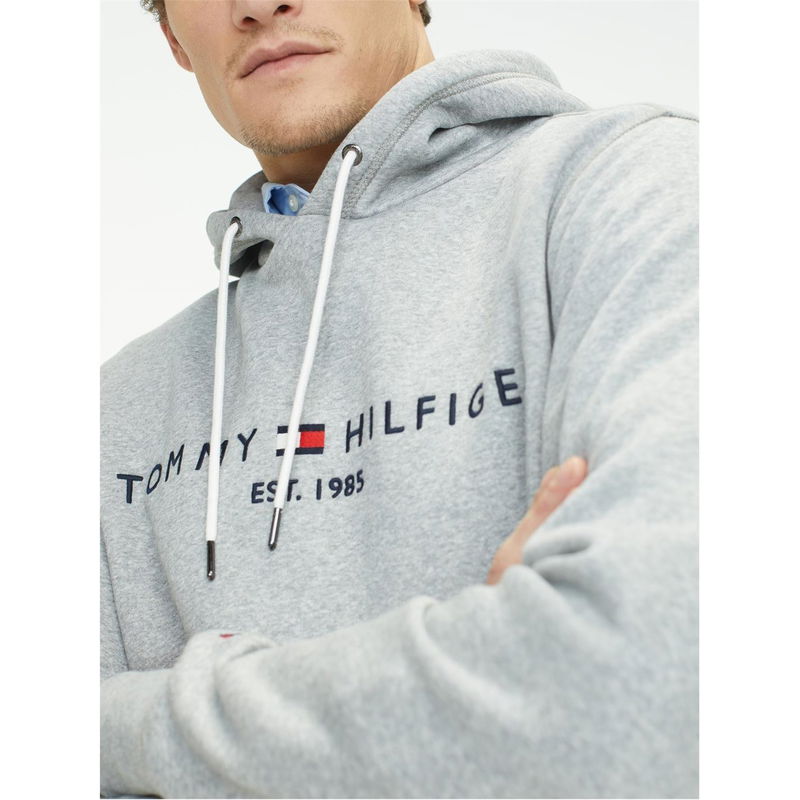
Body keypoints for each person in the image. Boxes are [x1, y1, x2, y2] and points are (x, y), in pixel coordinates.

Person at [100, 0, 699, 797]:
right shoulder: (114, 411)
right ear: (175, 38)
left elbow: (648, 681)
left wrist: (120, 725)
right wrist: (484, 684)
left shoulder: (643, 190)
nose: (259, 5)